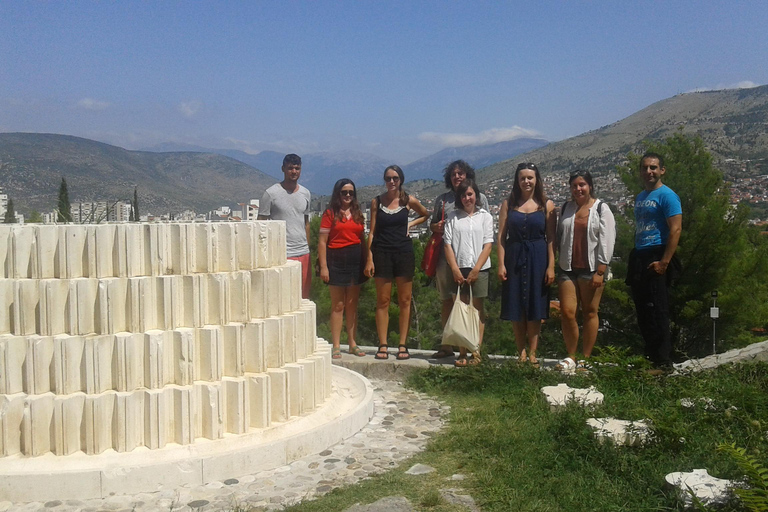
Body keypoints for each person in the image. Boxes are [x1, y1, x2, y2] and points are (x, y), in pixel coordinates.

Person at [365, 165, 429, 360]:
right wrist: (369, 256)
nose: (391, 182)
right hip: (382, 252)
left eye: (395, 178)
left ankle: (403, 344)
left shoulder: (408, 200)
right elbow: (372, 231)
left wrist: (410, 223)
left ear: (401, 179)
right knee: (382, 301)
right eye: (387, 178)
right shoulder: (377, 202)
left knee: (405, 301)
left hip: (404, 252)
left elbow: (425, 214)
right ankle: (383, 344)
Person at [429, 160, 491, 360]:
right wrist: (437, 227)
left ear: (468, 176)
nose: (457, 176)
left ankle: (472, 348)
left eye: (461, 173)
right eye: (454, 174)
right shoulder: (443, 200)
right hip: (447, 259)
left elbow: (486, 233)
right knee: (449, 301)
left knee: (473, 306)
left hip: (474, 261)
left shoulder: (481, 199)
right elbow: (433, 225)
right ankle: (448, 344)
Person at [555, 170, 616, 371]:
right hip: (568, 267)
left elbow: (607, 240)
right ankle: (571, 356)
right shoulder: (566, 208)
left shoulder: (601, 209)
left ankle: (586, 358)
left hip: (592, 269)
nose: (578, 189)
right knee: (567, 312)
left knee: (590, 312)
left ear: (590, 186)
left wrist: (601, 270)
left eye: (582, 185)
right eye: (574, 186)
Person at [625, 152, 682, 370]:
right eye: (645, 168)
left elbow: (675, 229)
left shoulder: (667, 196)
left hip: (658, 254)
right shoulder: (640, 196)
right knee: (643, 310)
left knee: (658, 310)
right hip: (640, 255)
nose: (649, 172)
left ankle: (664, 361)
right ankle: (650, 357)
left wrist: (665, 262)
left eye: (653, 168)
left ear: (662, 170)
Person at [497, 162, 556, 367]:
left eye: (530, 177)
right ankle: (520, 352)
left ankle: (532, 353)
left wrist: (551, 266)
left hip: (538, 257)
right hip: (513, 257)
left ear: (536, 179)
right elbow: (501, 237)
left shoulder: (546, 205)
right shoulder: (508, 204)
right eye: (522, 178)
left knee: (535, 305)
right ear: (517, 180)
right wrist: (501, 264)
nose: (526, 181)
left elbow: (551, 238)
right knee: (516, 304)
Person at [443, 179, 494, 367]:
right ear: (459, 198)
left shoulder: (485, 217)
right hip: (458, 268)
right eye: (463, 195)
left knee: (477, 310)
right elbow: (447, 244)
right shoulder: (453, 217)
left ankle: (476, 351)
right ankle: (462, 352)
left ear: (476, 195)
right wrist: (455, 269)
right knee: (461, 308)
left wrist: (476, 269)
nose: (467, 198)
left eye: (470, 194)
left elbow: (488, 244)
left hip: (479, 267)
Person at [318, 179, 368, 359]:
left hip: (355, 259)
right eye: (344, 192)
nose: (347, 195)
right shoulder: (329, 213)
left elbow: (363, 239)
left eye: (351, 192)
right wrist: (324, 267)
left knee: (352, 304)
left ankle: (353, 343)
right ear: (337, 193)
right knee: (338, 304)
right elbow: (322, 242)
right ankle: (337, 344)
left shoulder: (357, 213)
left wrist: (368, 260)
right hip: (335, 259)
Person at [258, 154, 312, 299]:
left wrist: (308, 247)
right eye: (290, 168)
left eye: (297, 168)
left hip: (303, 253)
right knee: (284, 297)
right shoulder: (271, 193)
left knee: (303, 297)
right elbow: (261, 224)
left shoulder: (306, 193)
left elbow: (306, 223)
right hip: (282, 253)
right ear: (283, 169)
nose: (294, 171)